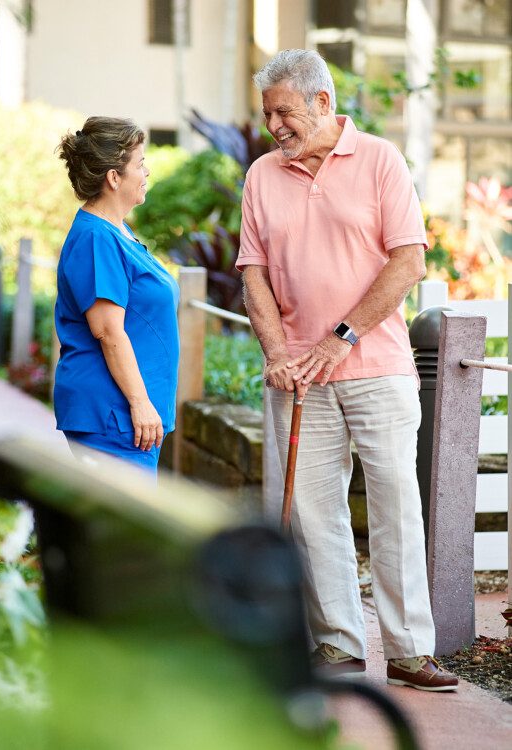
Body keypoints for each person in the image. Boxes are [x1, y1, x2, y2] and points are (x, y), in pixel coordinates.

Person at [237, 49, 458, 692]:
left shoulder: (382, 161)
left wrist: (341, 338)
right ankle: (338, 643)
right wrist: (278, 352)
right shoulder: (261, 176)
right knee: (313, 511)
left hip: (378, 367)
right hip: (296, 376)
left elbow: (408, 263)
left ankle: (411, 650)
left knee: (395, 506)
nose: (274, 125)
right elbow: (252, 271)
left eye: (285, 112)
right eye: (267, 113)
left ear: (323, 103)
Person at [54, 117, 179, 474]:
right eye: (139, 164)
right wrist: (140, 403)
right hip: (114, 416)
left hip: (127, 418)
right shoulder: (97, 239)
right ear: (113, 177)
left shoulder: (117, 231)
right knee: (126, 528)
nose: (147, 172)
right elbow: (108, 331)